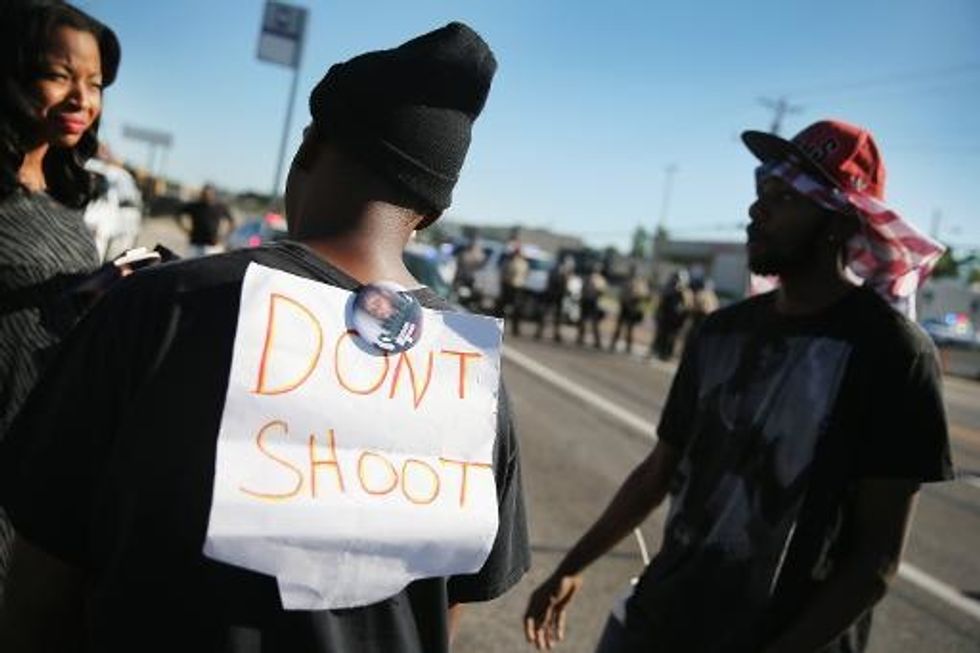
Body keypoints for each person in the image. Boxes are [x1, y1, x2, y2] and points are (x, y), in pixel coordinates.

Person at [0, 22, 528, 653]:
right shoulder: (476, 380)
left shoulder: (160, 308)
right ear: (433, 211)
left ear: (308, 145)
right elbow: (442, 611)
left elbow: (38, 584)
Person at [524, 120, 953, 652]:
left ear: (840, 222)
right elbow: (660, 470)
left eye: (786, 197)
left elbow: (875, 561)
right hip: (664, 620)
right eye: (761, 190)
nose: (758, 209)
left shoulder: (893, 355)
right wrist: (572, 565)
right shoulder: (720, 332)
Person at [0, 0, 120, 601]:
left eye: (94, 83)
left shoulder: (68, 199)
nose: (82, 99)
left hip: (35, 455)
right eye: (58, 75)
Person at [176, 183, 234, 257]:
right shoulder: (195, 206)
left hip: (213, 245)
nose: (206, 195)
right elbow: (178, 215)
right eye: (204, 193)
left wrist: (223, 237)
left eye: (209, 193)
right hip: (196, 244)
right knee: (192, 267)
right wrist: (185, 229)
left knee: (212, 267)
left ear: (214, 194)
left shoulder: (220, 207)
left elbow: (232, 222)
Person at [650, 269, 692, 360]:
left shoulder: (685, 293)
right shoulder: (669, 289)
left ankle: (667, 354)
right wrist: (658, 314)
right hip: (666, 318)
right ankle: (658, 351)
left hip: (675, 320)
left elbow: (687, 307)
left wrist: (682, 316)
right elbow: (662, 303)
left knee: (671, 338)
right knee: (661, 335)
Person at [608, 265, 650, 355]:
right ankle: (615, 344)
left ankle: (627, 346)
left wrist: (636, 299)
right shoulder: (629, 282)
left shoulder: (637, 283)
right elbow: (622, 296)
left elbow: (644, 297)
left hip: (630, 308)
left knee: (628, 328)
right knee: (621, 327)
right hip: (626, 307)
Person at [499, 242, 529, 335]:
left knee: (517, 309)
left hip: (518, 288)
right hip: (508, 286)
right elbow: (503, 273)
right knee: (502, 309)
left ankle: (515, 329)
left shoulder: (524, 263)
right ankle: (500, 326)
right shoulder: (508, 261)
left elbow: (526, 274)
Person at [576, 261, 607, 348]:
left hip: (589, 301)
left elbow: (600, 292)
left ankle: (584, 339)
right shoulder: (598, 279)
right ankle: (587, 339)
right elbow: (601, 292)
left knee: (588, 321)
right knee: (590, 321)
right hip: (590, 302)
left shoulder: (590, 278)